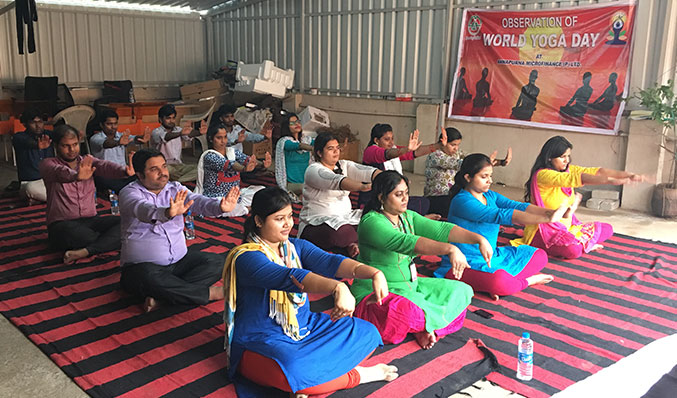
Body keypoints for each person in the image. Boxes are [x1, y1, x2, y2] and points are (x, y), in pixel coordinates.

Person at [223, 187, 398, 397]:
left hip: (304, 326)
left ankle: (320, 375)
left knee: (367, 333)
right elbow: (289, 278)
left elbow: (331, 261)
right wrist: (337, 286)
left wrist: (374, 273)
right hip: (261, 340)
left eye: (289, 216)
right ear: (259, 221)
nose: (288, 224)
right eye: (279, 219)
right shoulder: (246, 257)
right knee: (294, 370)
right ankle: (357, 375)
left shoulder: (295, 246)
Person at [353, 170, 490, 350]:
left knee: (462, 291)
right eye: (398, 194)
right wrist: (450, 249)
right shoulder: (372, 222)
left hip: (412, 288)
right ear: (381, 197)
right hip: (379, 294)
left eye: (406, 193)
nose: (405, 199)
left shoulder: (407, 216)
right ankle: (427, 326)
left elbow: (440, 229)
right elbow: (407, 243)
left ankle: (425, 327)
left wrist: (479, 239)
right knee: (403, 311)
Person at [118, 148, 240, 312]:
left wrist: (219, 206)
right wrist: (166, 212)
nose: (162, 173)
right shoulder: (129, 193)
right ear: (139, 175)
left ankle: (164, 299)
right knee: (147, 277)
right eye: (154, 169)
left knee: (217, 262)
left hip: (179, 263)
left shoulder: (175, 188)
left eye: (163, 166)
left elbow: (197, 201)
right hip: (142, 267)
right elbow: (142, 209)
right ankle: (209, 293)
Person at [439, 154, 568, 299]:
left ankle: (505, 283)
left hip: (492, 257)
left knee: (539, 256)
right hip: (464, 262)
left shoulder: (490, 196)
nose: (490, 181)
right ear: (468, 178)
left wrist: (551, 212)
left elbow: (518, 206)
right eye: (484, 176)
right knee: (498, 281)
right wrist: (546, 219)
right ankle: (525, 281)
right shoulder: (462, 201)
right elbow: (500, 215)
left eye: (490, 176)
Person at [512, 135, 645, 258]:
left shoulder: (568, 169)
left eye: (568, 156)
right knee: (573, 251)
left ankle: (581, 243)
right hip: (544, 230)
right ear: (549, 158)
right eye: (562, 157)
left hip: (568, 228)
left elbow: (597, 171)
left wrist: (628, 175)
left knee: (607, 229)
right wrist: (611, 181)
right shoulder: (543, 175)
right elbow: (577, 178)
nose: (566, 160)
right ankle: (581, 244)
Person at [40, 124, 132, 264]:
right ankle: (104, 243)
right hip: (62, 225)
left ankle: (85, 251)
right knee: (84, 236)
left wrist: (124, 171)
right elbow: (60, 173)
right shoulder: (47, 164)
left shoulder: (87, 161)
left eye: (75, 144)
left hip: (91, 220)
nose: (72, 150)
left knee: (128, 224)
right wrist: (76, 176)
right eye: (66, 146)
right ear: (56, 145)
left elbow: (104, 166)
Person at [299, 132, 381, 258]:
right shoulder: (313, 170)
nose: (336, 152)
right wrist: (362, 187)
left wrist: (387, 178)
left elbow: (366, 171)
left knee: (375, 218)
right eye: (330, 149)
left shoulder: (343, 165)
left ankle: (351, 244)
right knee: (343, 233)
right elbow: (335, 180)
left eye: (337, 148)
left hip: (345, 217)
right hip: (317, 223)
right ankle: (354, 242)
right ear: (320, 153)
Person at [360, 123, 451, 215]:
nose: (391, 143)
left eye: (392, 138)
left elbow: (414, 152)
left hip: (392, 199)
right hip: (376, 203)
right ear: (376, 140)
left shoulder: (394, 150)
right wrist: (405, 150)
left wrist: (438, 145)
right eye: (387, 139)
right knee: (424, 204)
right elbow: (387, 154)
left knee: (428, 202)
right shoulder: (370, 152)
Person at [424, 127, 512, 216]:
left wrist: (501, 162)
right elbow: (462, 164)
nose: (456, 148)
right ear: (442, 142)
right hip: (436, 198)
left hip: (451, 196)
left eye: (458, 145)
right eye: (453, 145)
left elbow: (474, 160)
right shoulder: (435, 155)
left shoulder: (457, 153)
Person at [194, 123, 271, 217]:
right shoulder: (209, 156)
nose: (223, 141)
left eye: (225, 137)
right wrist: (244, 169)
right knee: (221, 208)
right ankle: (248, 209)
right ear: (211, 139)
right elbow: (229, 165)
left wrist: (263, 164)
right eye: (219, 138)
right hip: (217, 198)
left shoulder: (231, 151)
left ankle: (243, 207)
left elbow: (248, 160)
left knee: (262, 190)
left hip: (236, 197)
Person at [89, 108, 150, 193]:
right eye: (109, 124)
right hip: (105, 176)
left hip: (124, 174)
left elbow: (134, 138)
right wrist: (118, 142)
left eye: (115, 123)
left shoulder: (121, 136)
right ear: (101, 125)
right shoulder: (95, 138)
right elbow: (106, 144)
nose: (113, 127)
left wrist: (141, 138)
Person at [150, 104, 206, 182]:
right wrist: (180, 134)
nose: (171, 121)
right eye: (168, 118)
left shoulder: (178, 129)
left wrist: (199, 133)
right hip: (164, 166)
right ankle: (182, 180)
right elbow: (166, 137)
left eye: (173, 118)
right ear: (160, 119)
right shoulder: (156, 132)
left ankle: (179, 181)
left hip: (179, 165)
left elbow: (188, 135)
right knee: (165, 173)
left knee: (201, 169)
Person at [12, 107, 53, 203]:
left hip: (49, 181)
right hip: (30, 183)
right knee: (30, 188)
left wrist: (74, 134)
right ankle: (63, 199)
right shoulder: (18, 137)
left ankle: (39, 200)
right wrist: (37, 145)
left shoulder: (47, 134)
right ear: (25, 124)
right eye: (33, 122)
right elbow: (27, 142)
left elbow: (61, 133)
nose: (38, 126)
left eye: (40, 122)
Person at [274, 112, 314, 199]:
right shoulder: (284, 142)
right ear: (287, 126)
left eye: (298, 122)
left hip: (306, 183)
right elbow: (298, 146)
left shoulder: (306, 139)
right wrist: (312, 148)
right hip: (293, 184)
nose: (297, 124)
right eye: (292, 123)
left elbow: (319, 143)